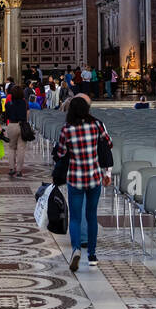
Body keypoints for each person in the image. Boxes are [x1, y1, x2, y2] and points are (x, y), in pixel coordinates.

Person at [55, 96, 113, 272]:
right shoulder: (96, 125)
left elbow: (60, 152)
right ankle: (93, 256)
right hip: (94, 176)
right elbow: (108, 143)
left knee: (75, 217)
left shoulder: (67, 129)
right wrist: (106, 171)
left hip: (75, 177)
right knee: (91, 216)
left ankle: (76, 249)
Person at [5, 84, 30, 179]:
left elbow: (6, 116)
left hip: (12, 125)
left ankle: (12, 168)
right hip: (22, 125)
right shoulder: (25, 103)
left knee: (11, 148)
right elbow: (28, 113)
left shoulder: (8, 104)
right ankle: (19, 170)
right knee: (21, 149)